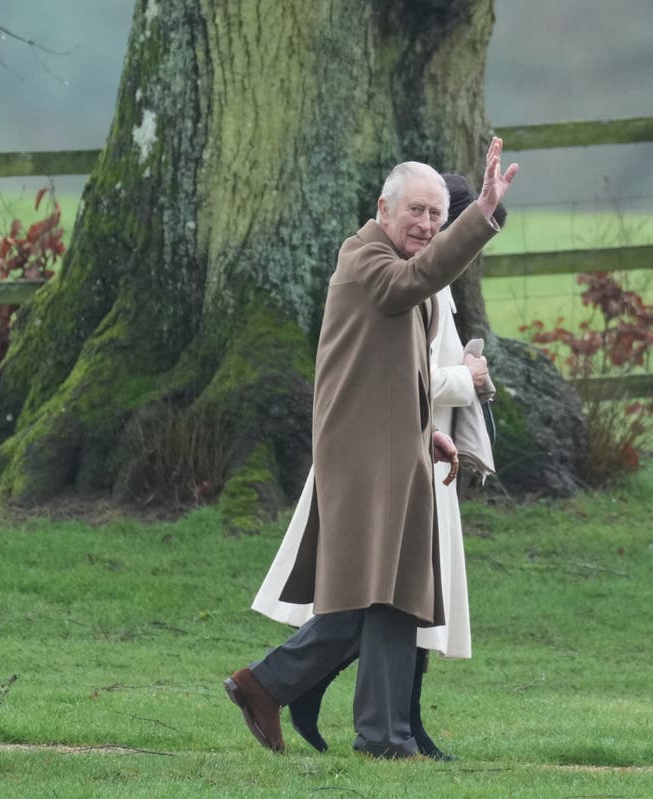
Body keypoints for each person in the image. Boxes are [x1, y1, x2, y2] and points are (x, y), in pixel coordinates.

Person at [225, 137, 517, 760]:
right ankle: (270, 684)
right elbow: (410, 284)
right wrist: (481, 215)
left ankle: (379, 735)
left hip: (393, 447)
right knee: (373, 596)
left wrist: (427, 431)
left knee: (396, 596)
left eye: (438, 215)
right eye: (417, 211)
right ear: (383, 209)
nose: (427, 225)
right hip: (362, 457)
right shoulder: (367, 259)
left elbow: (392, 373)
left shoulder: (392, 267)